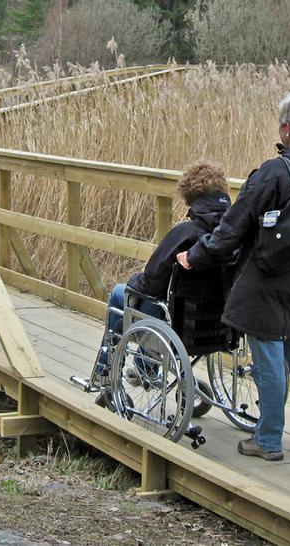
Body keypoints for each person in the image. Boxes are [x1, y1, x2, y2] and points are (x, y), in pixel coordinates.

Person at [176, 92, 290, 461]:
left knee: (267, 349)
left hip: (265, 272)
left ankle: (267, 439)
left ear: (286, 128)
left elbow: (232, 228)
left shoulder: (275, 172)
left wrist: (196, 255)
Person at [93, 160, 231, 406]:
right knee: (157, 300)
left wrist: (134, 279)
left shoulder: (187, 233)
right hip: (214, 328)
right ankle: (145, 367)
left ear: (190, 196)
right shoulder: (232, 235)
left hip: (176, 326)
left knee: (120, 294)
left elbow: (149, 281)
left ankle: (107, 375)